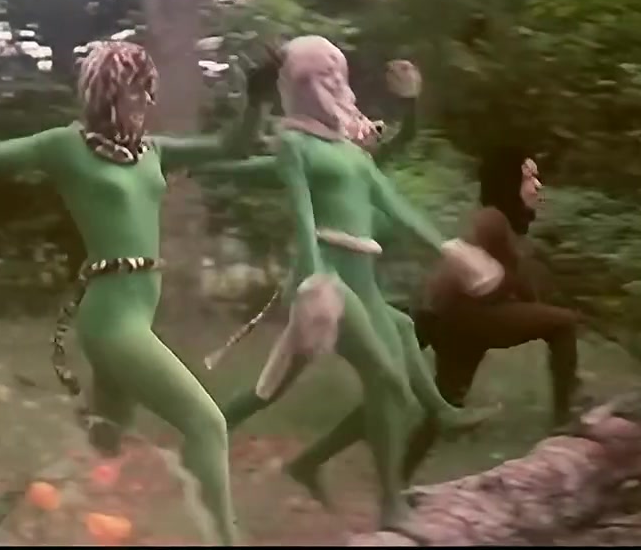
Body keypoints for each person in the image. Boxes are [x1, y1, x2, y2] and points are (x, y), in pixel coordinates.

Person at [0, 40, 270, 546]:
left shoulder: (154, 151)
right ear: (107, 95)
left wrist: (257, 99)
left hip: (135, 314)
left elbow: (231, 146)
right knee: (207, 425)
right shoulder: (67, 147)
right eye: (136, 92)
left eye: (148, 92)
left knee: (101, 442)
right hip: (113, 323)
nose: (146, 102)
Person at [193, 35, 502, 529]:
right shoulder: (293, 144)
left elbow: (397, 208)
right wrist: (315, 279)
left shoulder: (355, 157)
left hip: (362, 282)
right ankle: (392, 503)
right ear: (301, 85)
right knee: (387, 382)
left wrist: (451, 250)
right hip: (326, 280)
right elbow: (301, 212)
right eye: (324, 75)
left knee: (277, 386)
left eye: (339, 73)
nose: (337, 84)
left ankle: (222, 435)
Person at [401, 146, 583, 481]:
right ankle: (563, 419)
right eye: (529, 177)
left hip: (456, 322)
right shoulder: (493, 220)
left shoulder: (505, 224)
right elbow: (471, 269)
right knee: (564, 324)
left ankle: (397, 482)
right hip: (467, 317)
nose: (538, 185)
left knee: (446, 405)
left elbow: (518, 284)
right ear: (507, 182)